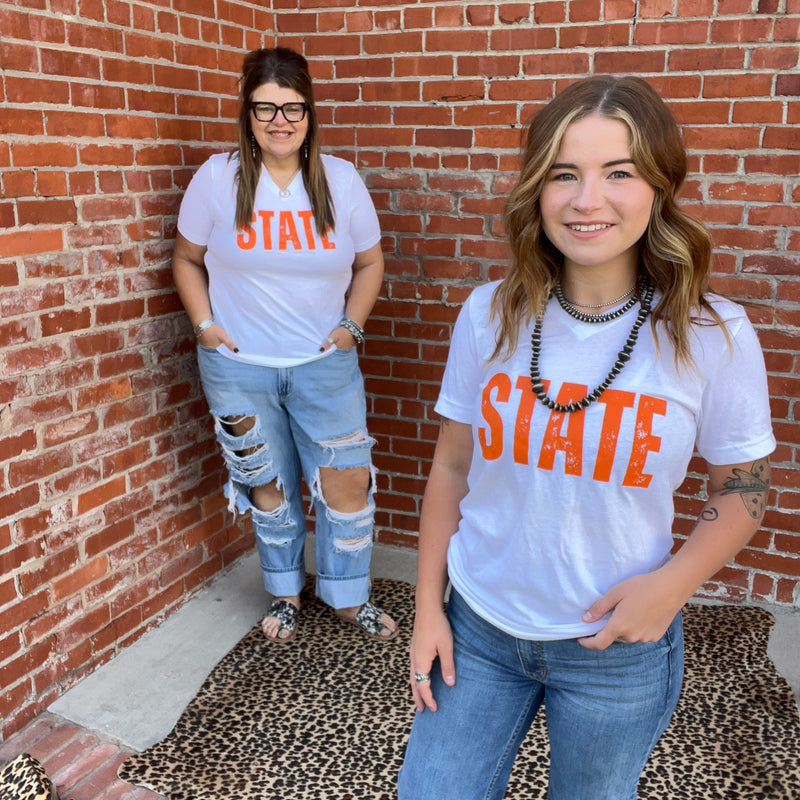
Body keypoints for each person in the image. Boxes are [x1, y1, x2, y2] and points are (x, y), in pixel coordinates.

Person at [398, 75, 774, 799]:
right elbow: (450, 467)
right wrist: (426, 612)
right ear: (537, 189)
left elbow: (746, 489)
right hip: (479, 629)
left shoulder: (712, 333)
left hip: (617, 649)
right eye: (563, 173)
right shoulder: (488, 315)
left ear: (659, 187)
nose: (586, 199)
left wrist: (671, 588)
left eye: (619, 173)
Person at [172, 47, 397, 645]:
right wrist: (204, 327)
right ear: (247, 113)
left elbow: (370, 262)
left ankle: (350, 598)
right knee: (266, 486)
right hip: (238, 368)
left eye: (292, 107)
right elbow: (188, 259)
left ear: (310, 113)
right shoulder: (217, 179)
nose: (280, 120)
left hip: (325, 366)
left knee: (346, 482)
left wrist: (351, 327)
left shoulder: (340, 182)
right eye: (265, 107)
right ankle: (284, 593)